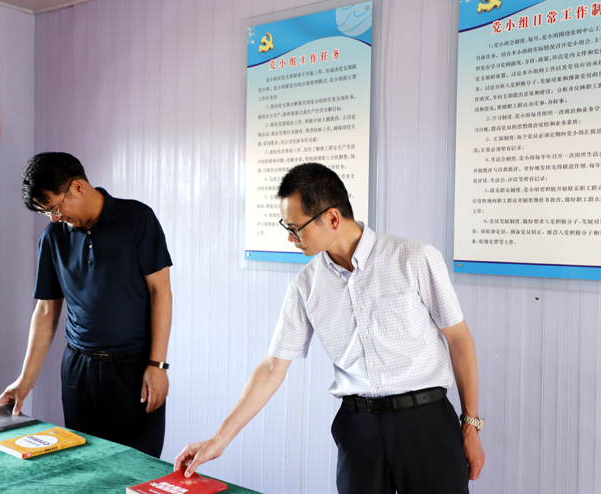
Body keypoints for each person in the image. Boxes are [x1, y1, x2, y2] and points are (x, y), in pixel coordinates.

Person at [174, 163, 485, 493]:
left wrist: (471, 424)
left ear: (332, 218)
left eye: (296, 228)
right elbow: (272, 367)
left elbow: (459, 340)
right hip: (359, 429)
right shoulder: (305, 285)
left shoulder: (415, 258)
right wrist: (218, 440)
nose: (290, 237)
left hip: (426, 423)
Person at [0, 152, 173, 458]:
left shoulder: (137, 218)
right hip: (78, 369)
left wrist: (157, 365)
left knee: (137, 465)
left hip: (133, 370)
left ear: (77, 187)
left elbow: (161, 292)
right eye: (46, 212)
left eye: (54, 208)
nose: (54, 218)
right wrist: (25, 379)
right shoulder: (53, 237)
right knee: (83, 464)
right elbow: (46, 310)